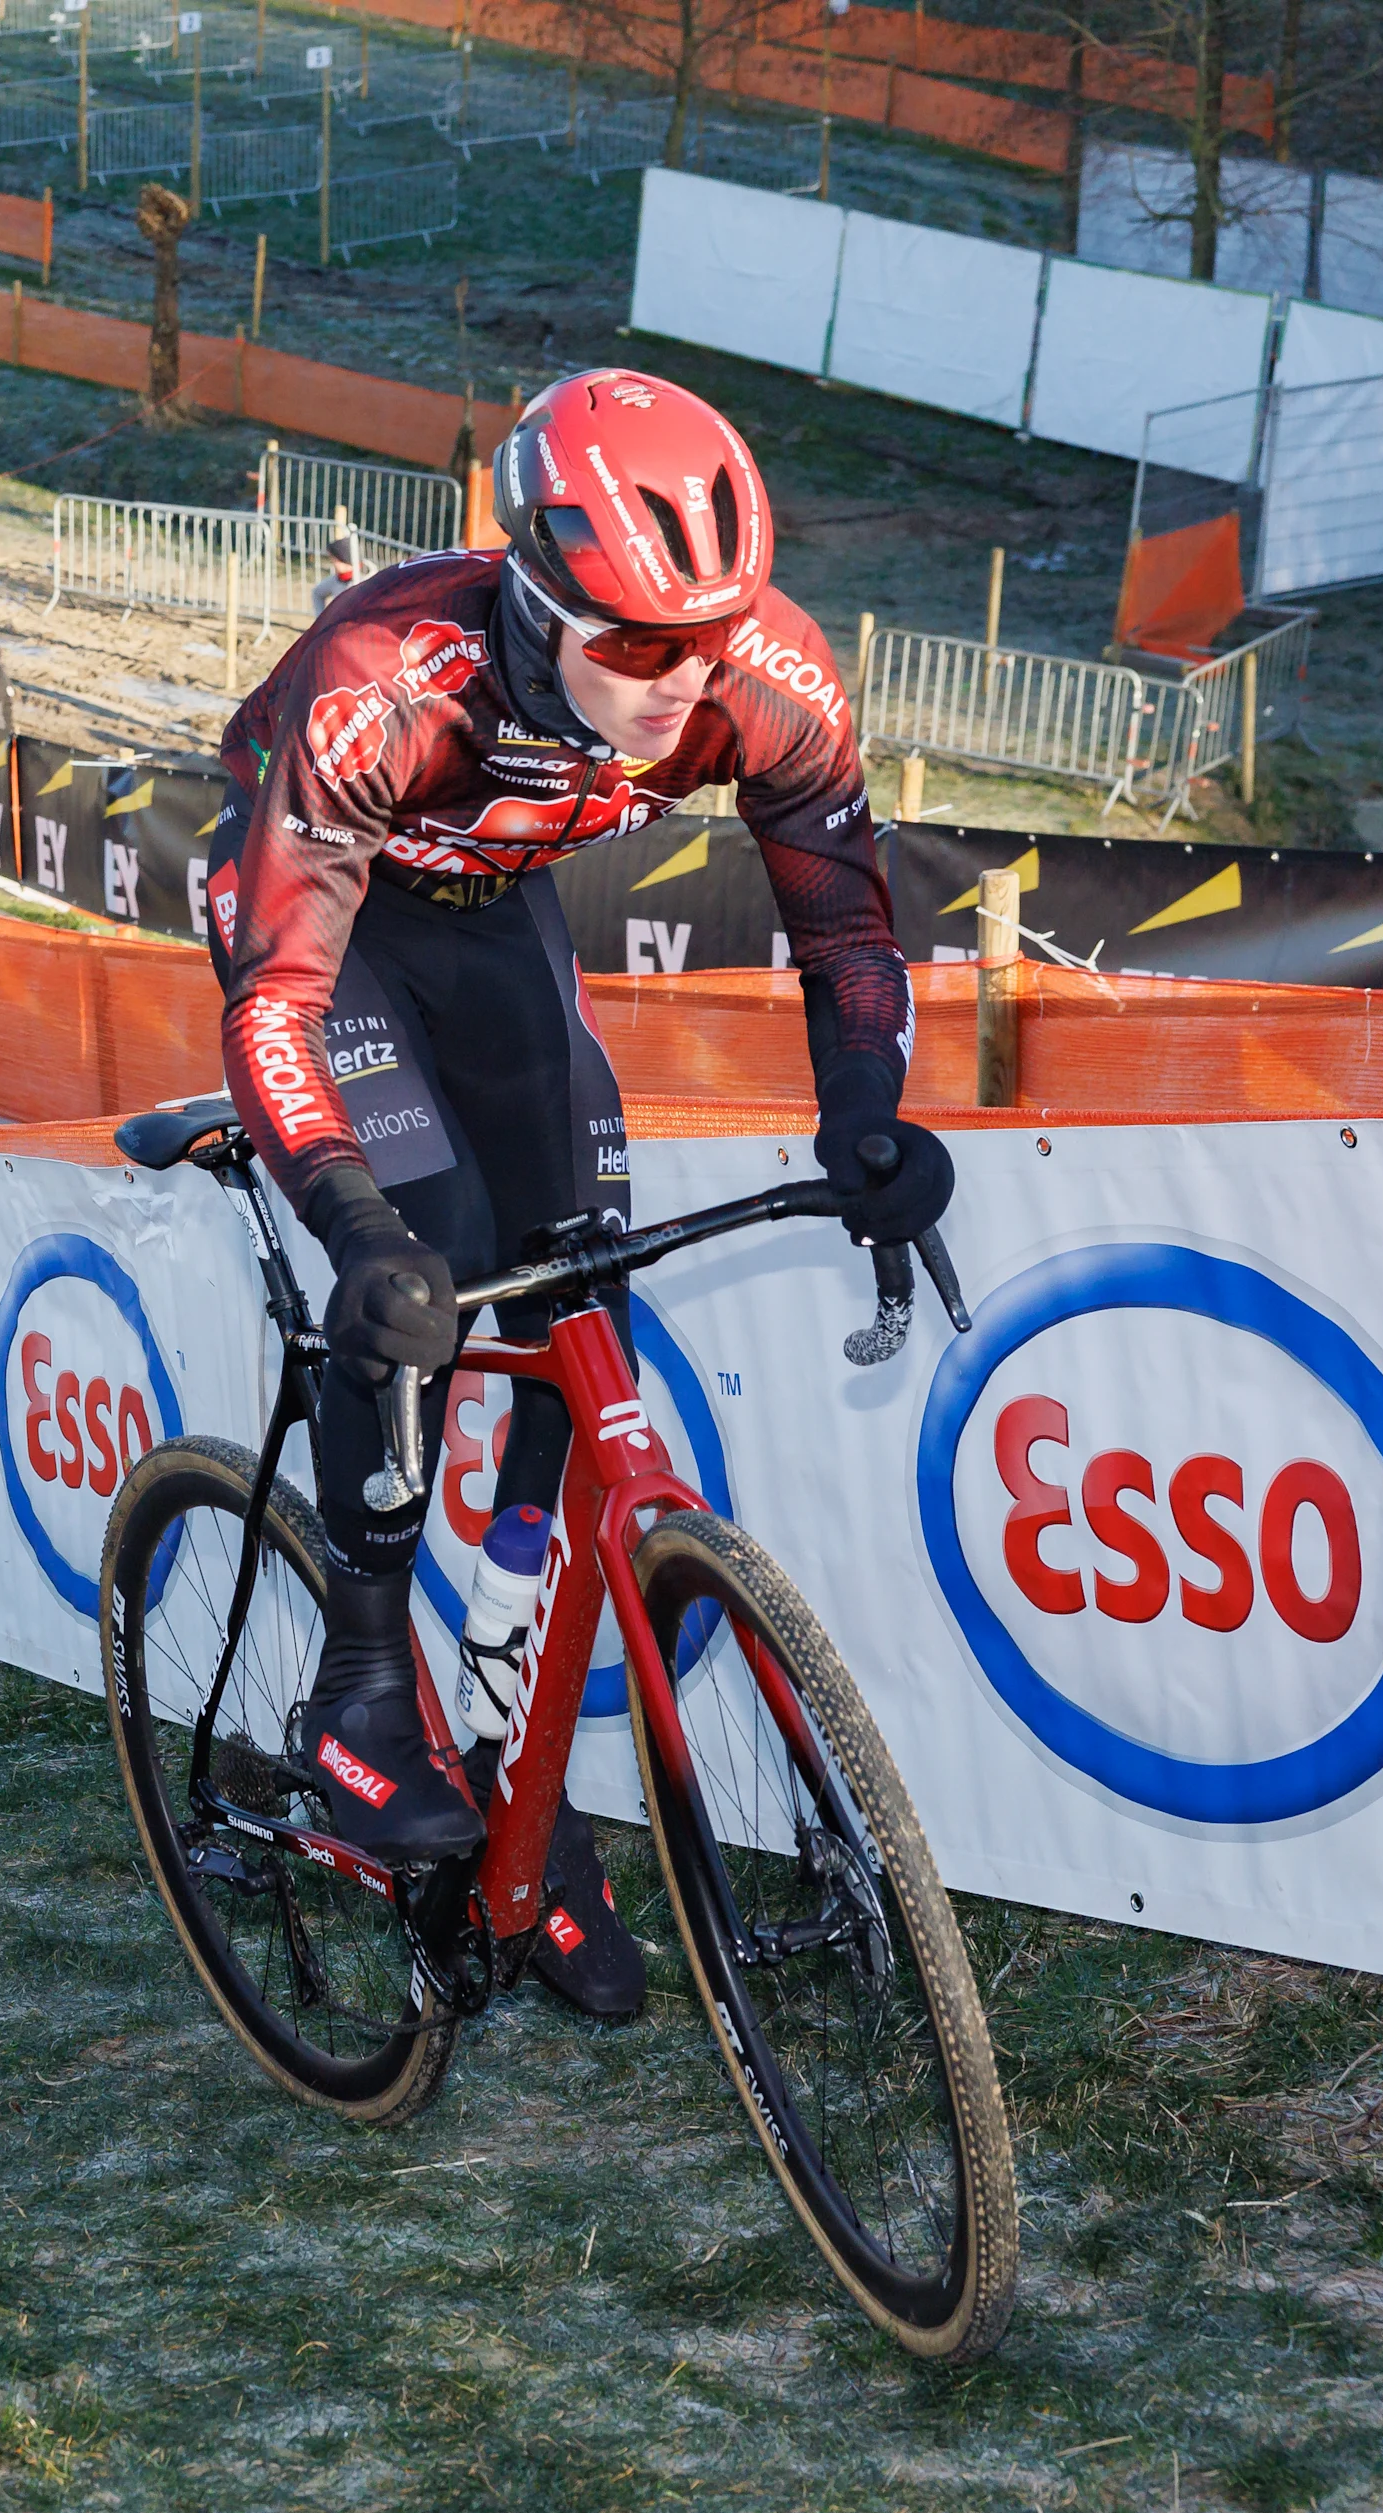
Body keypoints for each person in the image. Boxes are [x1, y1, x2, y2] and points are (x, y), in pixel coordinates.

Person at [200, 368, 947, 2019]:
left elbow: (846, 928)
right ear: (534, 593)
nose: (671, 693)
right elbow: (276, 1002)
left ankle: (506, 1735)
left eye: (703, 646)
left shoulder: (762, 672)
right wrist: (349, 1218)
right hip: (335, 930)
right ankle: (361, 1692)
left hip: (498, 918)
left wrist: (870, 1115)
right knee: (428, 1262)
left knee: (582, 1279)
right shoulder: (386, 680)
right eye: (628, 649)